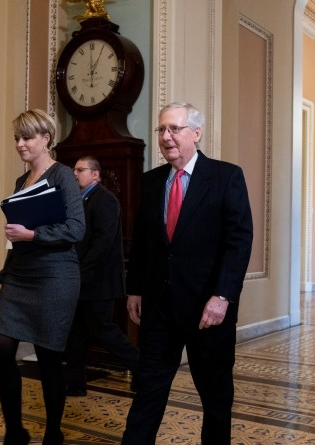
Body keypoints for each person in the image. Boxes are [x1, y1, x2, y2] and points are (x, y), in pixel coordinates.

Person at [121, 102, 253, 445]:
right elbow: (143, 243)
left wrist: (222, 296)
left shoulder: (226, 177)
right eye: (161, 130)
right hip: (159, 308)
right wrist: (135, 288)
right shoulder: (151, 182)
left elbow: (238, 242)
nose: (166, 137)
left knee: (215, 396)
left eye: (174, 129)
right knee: (148, 390)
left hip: (207, 310)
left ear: (196, 133)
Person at [0, 109, 85, 445]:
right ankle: (15, 430)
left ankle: (53, 432)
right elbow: (14, 239)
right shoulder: (21, 181)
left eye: (27, 137)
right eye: (17, 137)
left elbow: (76, 228)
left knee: (47, 358)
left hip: (56, 276)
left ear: (46, 138)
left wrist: (31, 234)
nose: (20, 144)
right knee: (0, 347)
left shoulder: (63, 177)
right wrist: (4, 277)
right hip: (20, 275)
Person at [64, 156, 139, 396]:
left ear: (95, 174)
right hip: (82, 280)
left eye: (80, 170)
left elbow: (103, 242)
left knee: (103, 330)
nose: (75, 174)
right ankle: (75, 384)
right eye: (74, 169)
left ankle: (143, 369)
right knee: (75, 333)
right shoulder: (79, 199)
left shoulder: (105, 199)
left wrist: (81, 271)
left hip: (99, 281)